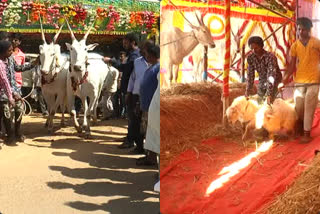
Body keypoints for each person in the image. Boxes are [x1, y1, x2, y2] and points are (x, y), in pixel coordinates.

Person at [280, 17, 320, 143]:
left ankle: (306, 133)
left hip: (314, 79)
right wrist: (284, 80)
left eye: (303, 29)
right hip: (300, 81)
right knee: (299, 106)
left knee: (309, 104)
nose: (301, 31)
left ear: (309, 29)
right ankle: (300, 128)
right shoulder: (295, 46)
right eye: (299, 29)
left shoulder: (317, 43)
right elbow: (292, 66)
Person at [104, 33, 141, 149]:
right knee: (131, 116)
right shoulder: (131, 55)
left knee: (132, 116)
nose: (124, 44)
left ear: (133, 42)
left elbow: (125, 68)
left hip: (133, 91)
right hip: (129, 89)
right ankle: (130, 137)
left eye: (126, 42)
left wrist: (111, 61)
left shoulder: (135, 56)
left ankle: (131, 140)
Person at [125, 40, 153, 154]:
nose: (141, 50)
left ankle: (150, 151)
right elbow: (133, 78)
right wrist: (128, 93)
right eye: (141, 48)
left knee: (150, 124)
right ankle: (139, 146)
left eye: (144, 48)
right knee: (135, 122)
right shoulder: (137, 62)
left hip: (151, 98)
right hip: (136, 97)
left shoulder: (158, 63)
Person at [136, 44, 160, 165]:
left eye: (146, 54)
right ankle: (150, 156)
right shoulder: (151, 67)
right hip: (147, 106)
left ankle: (152, 158)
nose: (145, 57)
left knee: (154, 133)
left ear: (152, 54)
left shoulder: (160, 68)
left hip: (154, 107)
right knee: (149, 133)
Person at [245, 36, 282, 105]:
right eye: (251, 49)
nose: (254, 51)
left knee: (272, 104)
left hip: (275, 82)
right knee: (260, 103)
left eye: (256, 48)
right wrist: (248, 91)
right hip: (262, 81)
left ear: (261, 46)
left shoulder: (270, 57)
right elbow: (250, 75)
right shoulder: (251, 58)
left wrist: (269, 94)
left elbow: (271, 76)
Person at [0, 41, 16, 146]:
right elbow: (5, 81)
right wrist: (10, 97)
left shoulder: (6, 61)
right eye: (10, 50)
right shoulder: (0, 64)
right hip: (2, 96)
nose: (12, 52)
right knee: (6, 116)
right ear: (3, 51)